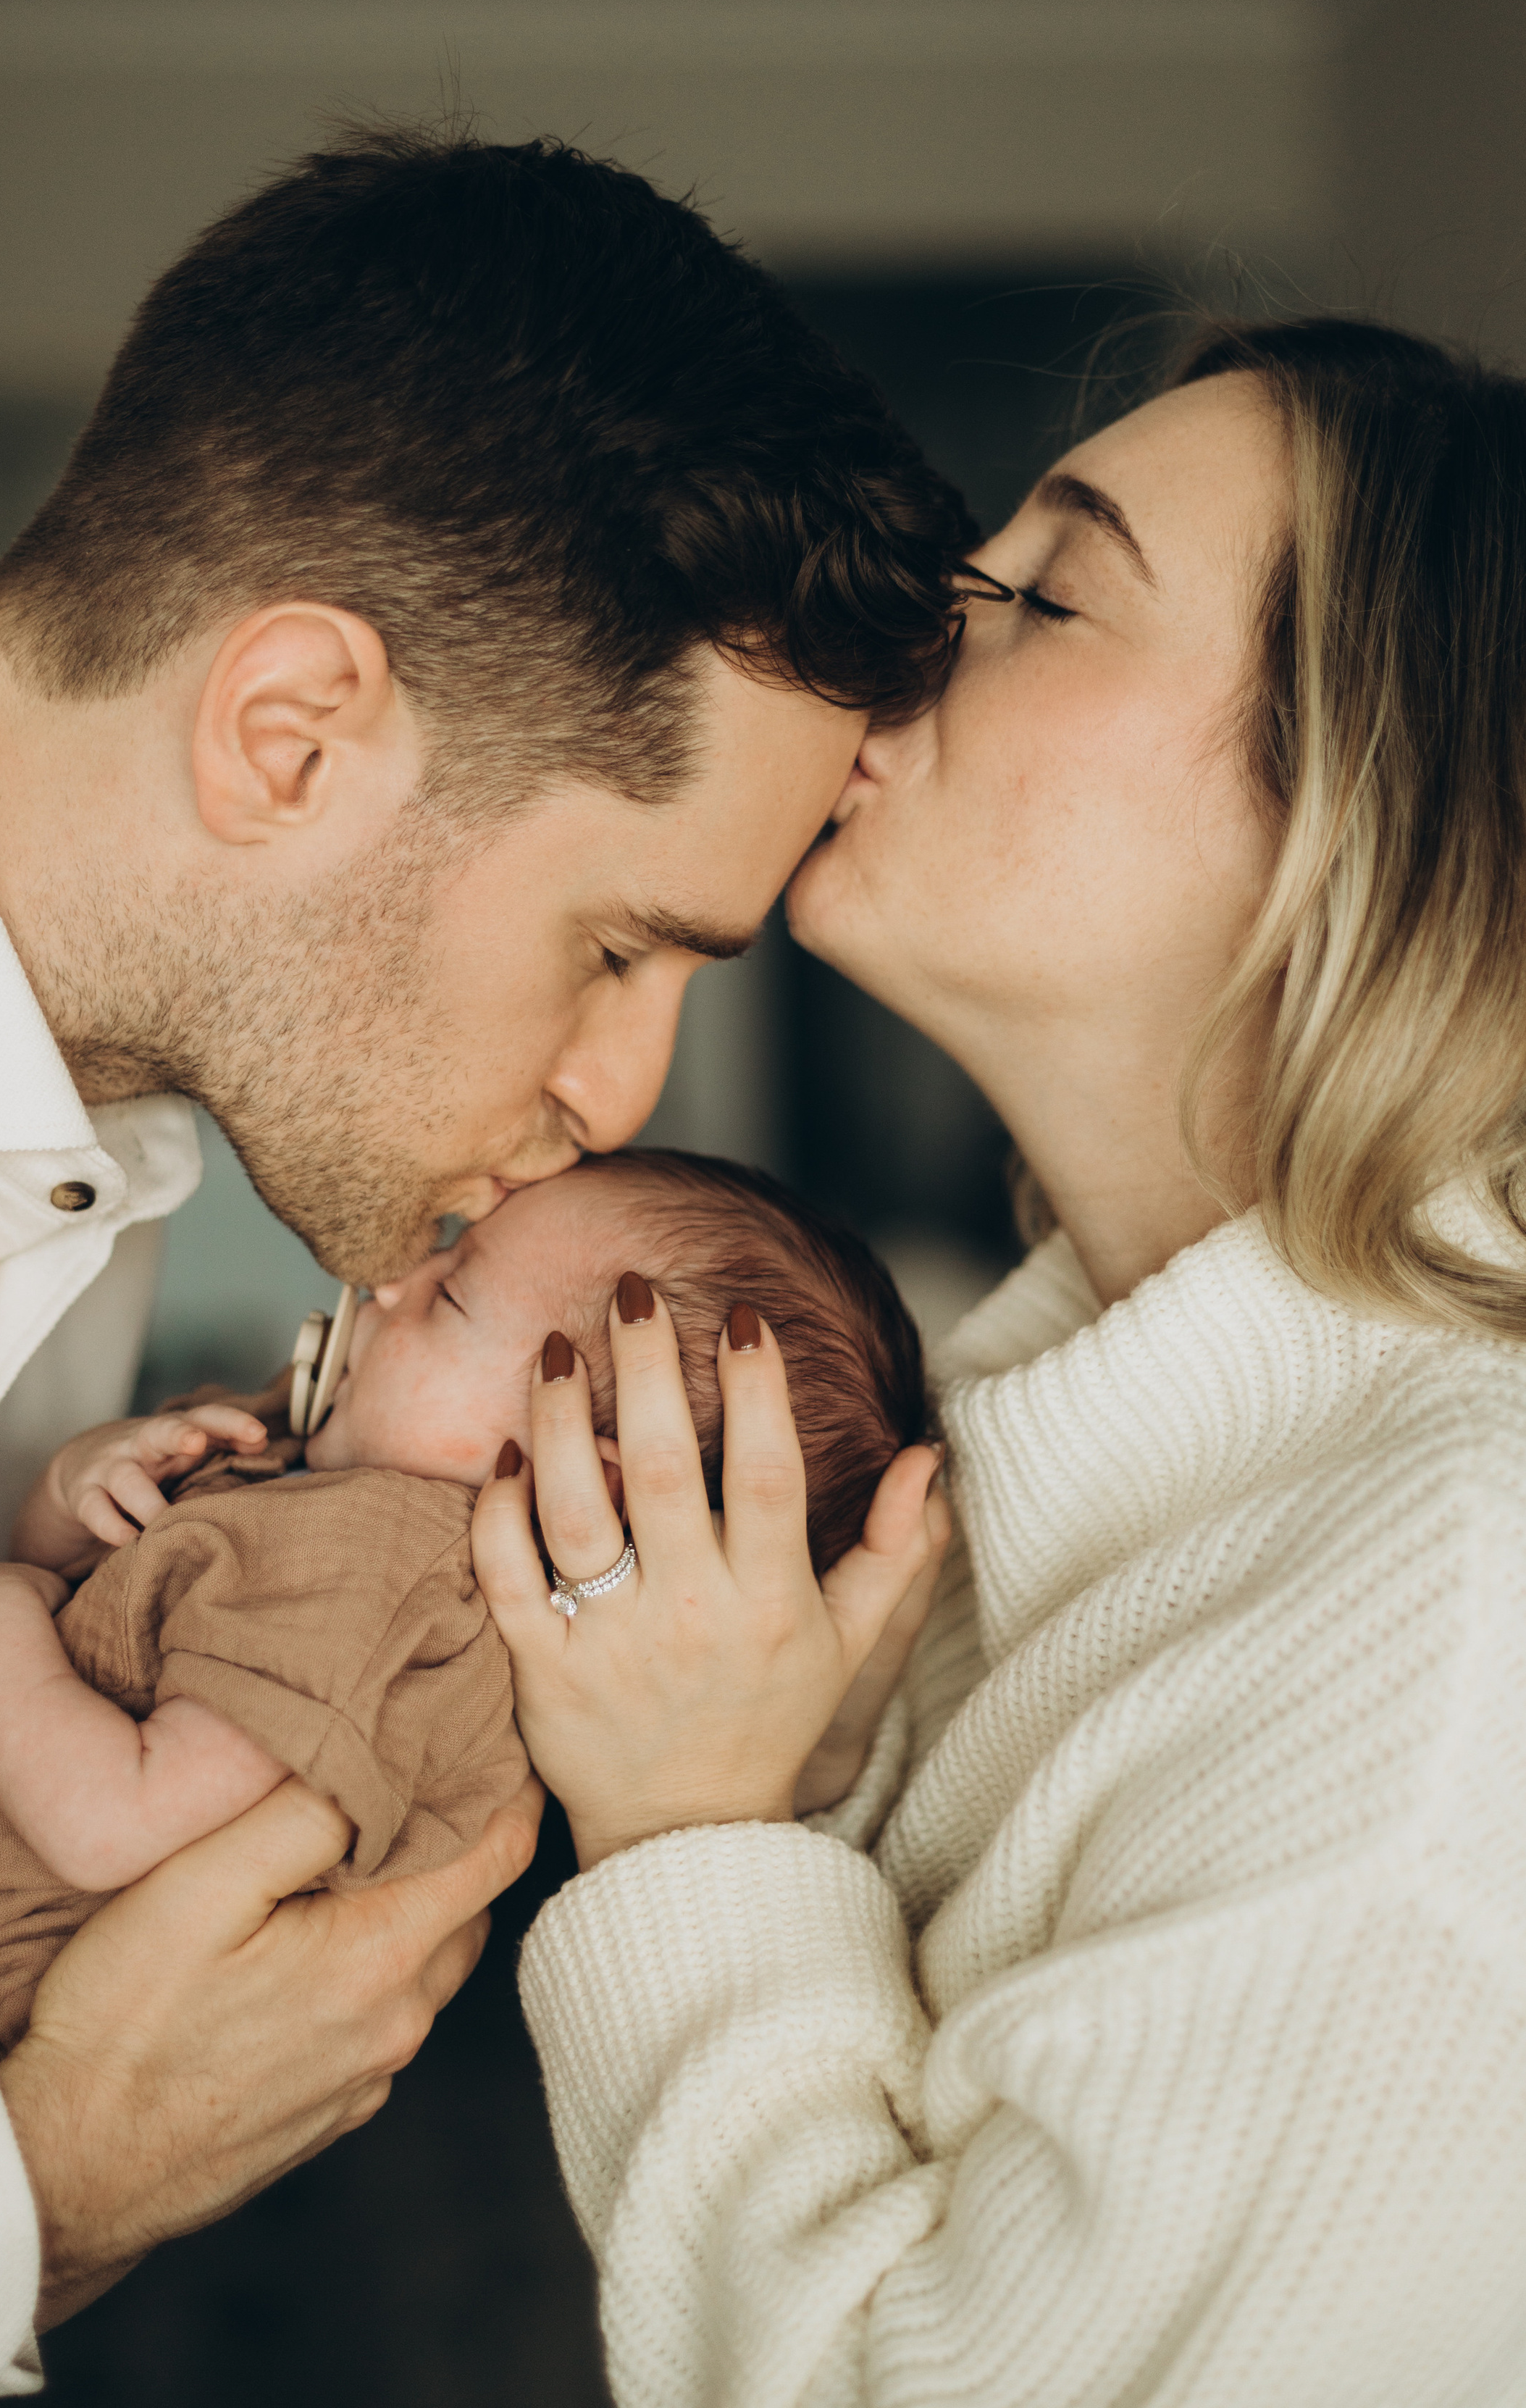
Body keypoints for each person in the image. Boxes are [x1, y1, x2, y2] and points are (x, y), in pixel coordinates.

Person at [0, 125, 976, 2404]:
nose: (618, 1088)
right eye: (616, 944)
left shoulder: (103, 1133)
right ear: (291, 737)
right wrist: (43, 2185)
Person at [477, 317, 1526, 2405]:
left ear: (1366, 819)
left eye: (1045, 595)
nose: (900, 625)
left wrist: (693, 1844)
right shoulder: (1042, 1470)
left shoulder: (1447, 1668)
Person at [0, 1149, 935, 2136]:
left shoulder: (388, 1578)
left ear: (578, 1484)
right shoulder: (332, 1479)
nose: (391, 1285)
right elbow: (108, 1628)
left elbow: (114, 1816)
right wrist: (80, 1489)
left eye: (454, 1294)